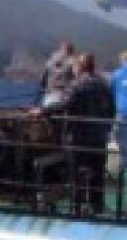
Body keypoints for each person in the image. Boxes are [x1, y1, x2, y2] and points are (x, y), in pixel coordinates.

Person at [39, 52, 115, 212]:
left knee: (76, 174)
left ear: (80, 67)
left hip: (79, 138)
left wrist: (42, 111)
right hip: (99, 138)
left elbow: (63, 105)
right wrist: (105, 129)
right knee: (97, 174)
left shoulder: (77, 85)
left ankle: (77, 207)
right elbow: (111, 110)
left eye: (74, 66)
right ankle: (97, 207)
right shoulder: (103, 84)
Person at [37, 40, 77, 108]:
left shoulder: (51, 60)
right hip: (64, 96)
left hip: (50, 95)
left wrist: (41, 89)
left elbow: (43, 77)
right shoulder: (73, 61)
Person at [112, 50, 127, 158]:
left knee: (121, 141)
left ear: (122, 61)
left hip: (121, 112)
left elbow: (111, 93)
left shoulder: (116, 74)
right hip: (121, 112)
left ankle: (124, 168)